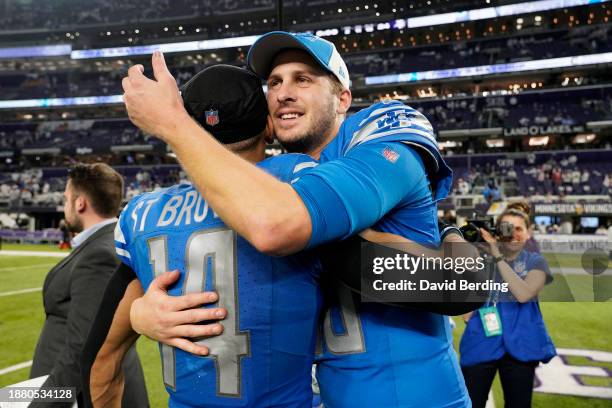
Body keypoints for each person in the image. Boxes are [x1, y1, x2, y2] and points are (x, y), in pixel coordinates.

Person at [122, 32, 469, 407]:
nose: (284, 92)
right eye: (274, 82)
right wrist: (141, 313)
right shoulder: (269, 184)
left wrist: (174, 124)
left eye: (303, 79)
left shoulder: (377, 130)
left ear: (343, 98)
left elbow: (282, 224)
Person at [84, 65, 324, 407]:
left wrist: (138, 313)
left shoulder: (143, 213)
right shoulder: (297, 180)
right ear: (269, 127)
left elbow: (100, 359)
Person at [29, 163, 148, 408]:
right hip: (57, 386)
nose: (64, 207)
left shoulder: (99, 255)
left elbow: (82, 349)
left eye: (66, 199)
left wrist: (39, 404)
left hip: (72, 394)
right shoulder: (105, 244)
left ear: (80, 203)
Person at [459, 201, 556, 408]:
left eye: (519, 228)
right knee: (470, 403)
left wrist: (496, 254)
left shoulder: (536, 262)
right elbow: (466, 309)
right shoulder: (482, 261)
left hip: (522, 346)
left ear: (529, 233)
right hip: (481, 342)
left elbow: (523, 294)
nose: (513, 233)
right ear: (497, 231)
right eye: (507, 228)